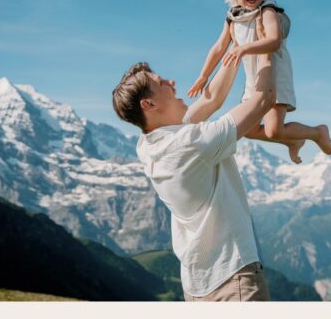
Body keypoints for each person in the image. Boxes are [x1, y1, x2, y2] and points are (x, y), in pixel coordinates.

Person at [111, 50, 275, 301]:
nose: (171, 82)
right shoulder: (189, 144)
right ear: (149, 104)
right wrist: (264, 49)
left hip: (196, 287)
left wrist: (235, 47)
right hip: (234, 282)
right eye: (161, 82)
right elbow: (264, 99)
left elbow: (213, 99)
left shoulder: (149, 145)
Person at [186, 0, 331, 164]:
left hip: (275, 76)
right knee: (249, 129)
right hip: (254, 80)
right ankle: (291, 141)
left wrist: (243, 48)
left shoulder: (267, 11)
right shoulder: (233, 17)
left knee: (274, 130)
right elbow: (219, 47)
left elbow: (273, 41)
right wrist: (203, 76)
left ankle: (317, 133)